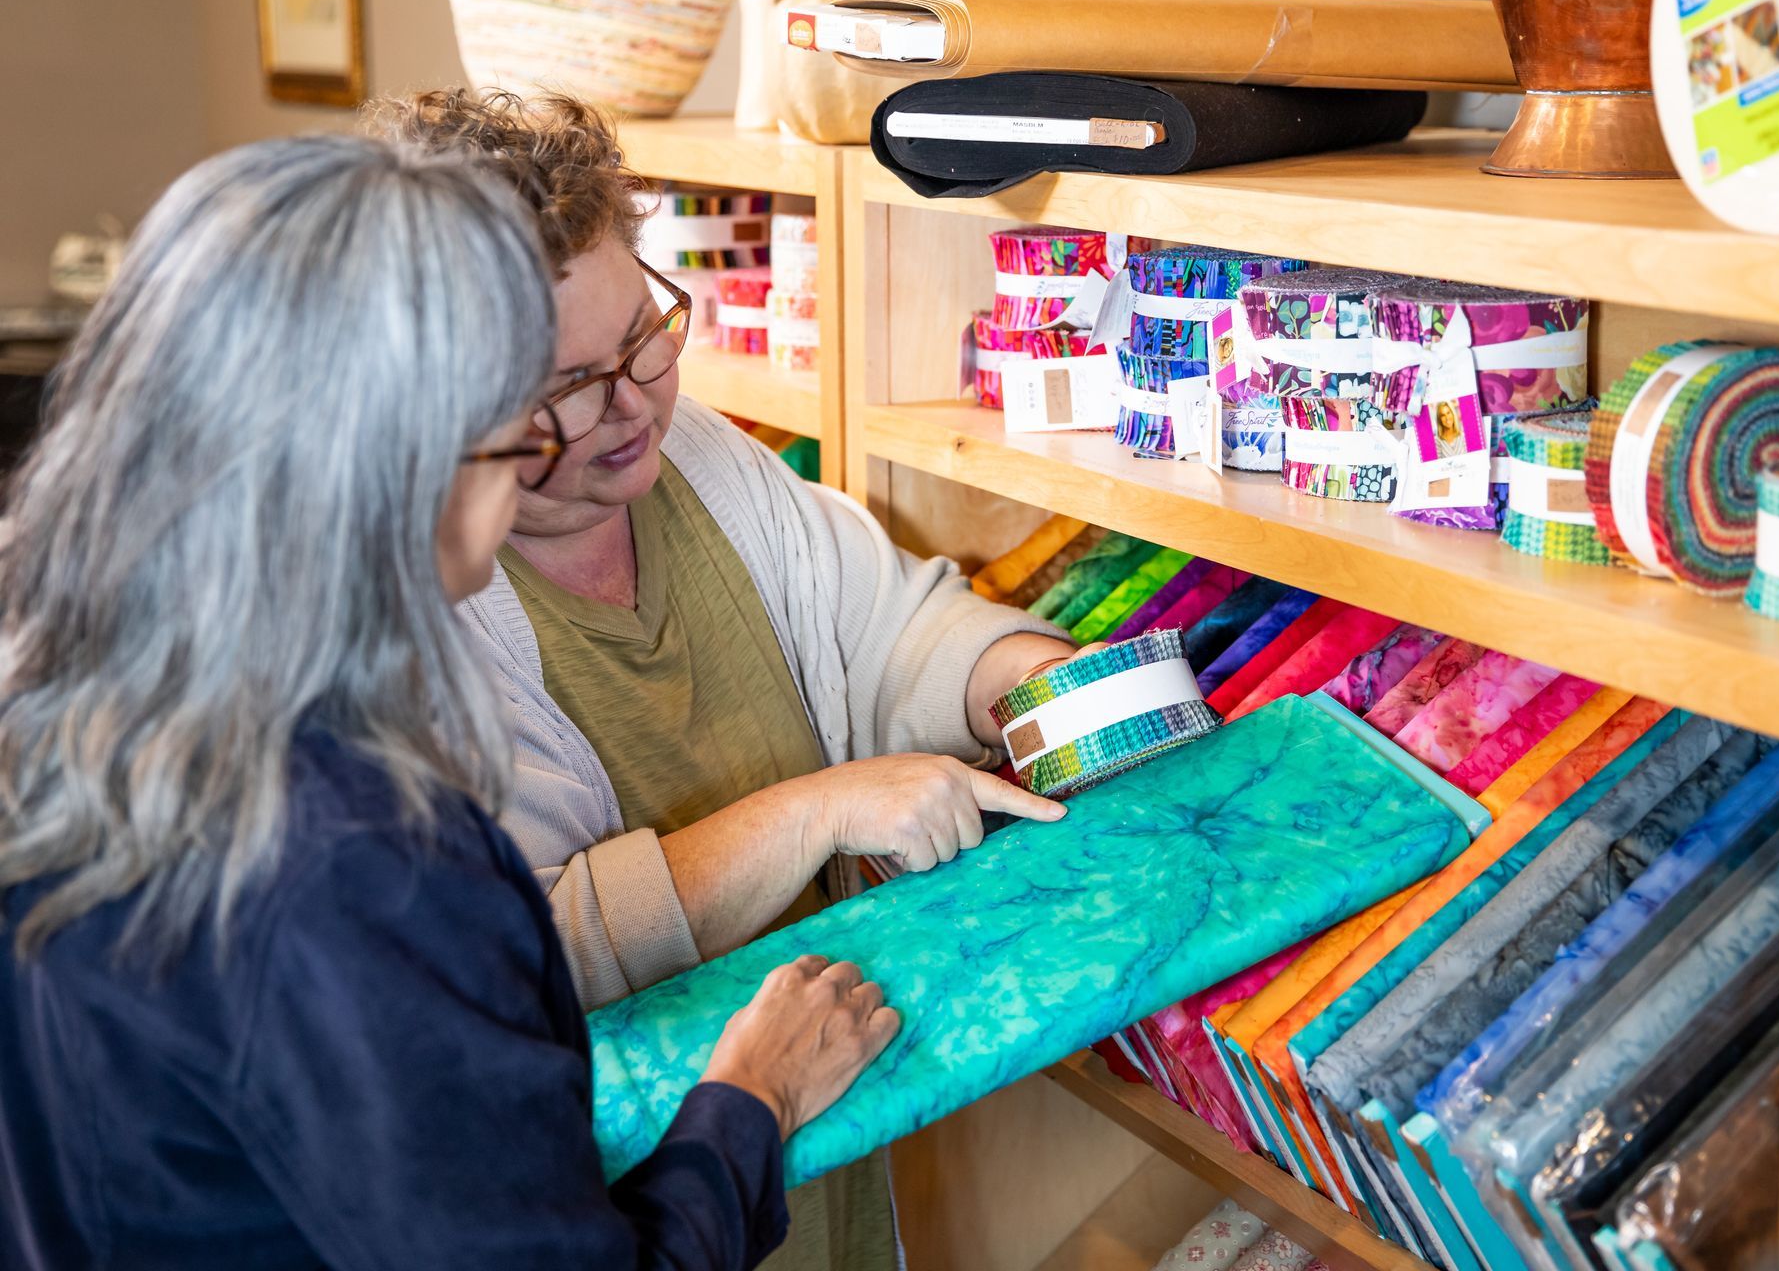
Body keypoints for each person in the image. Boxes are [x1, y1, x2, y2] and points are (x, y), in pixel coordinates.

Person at [0, 134, 896, 1271]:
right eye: (520, 415)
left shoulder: (53, 707)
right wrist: (749, 1101)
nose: (537, 451)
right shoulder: (370, 864)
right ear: (399, 463)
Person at [372, 89, 1083, 1271]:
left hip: (815, 1143)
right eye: (562, 387)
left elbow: (889, 629)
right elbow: (522, 954)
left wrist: (1029, 681)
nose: (630, 405)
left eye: (644, 336)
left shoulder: (696, 454)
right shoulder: (404, 621)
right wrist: (818, 808)